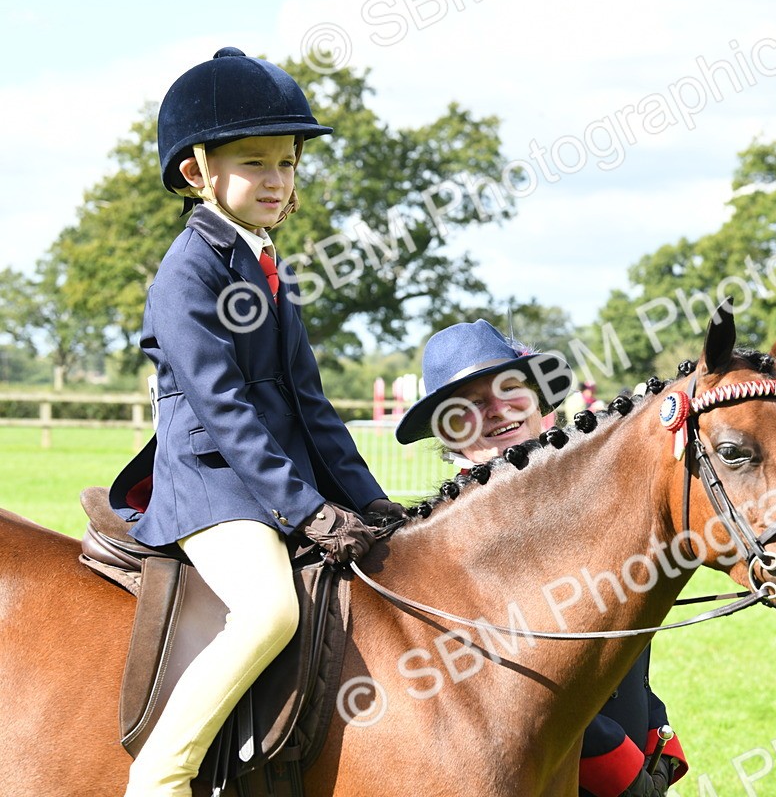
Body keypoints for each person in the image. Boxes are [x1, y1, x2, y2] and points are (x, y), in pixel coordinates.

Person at [107, 47, 406, 796]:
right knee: (271, 610)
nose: (278, 180)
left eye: (288, 162)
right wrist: (306, 509)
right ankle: (163, 773)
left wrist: (369, 500)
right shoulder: (187, 270)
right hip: (211, 485)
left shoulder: (272, 263)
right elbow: (226, 408)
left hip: (269, 477)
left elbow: (309, 402)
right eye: (255, 163)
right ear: (196, 173)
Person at [394, 319, 688, 797]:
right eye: (468, 406)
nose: (496, 411)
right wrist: (617, 764)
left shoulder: (585, 504)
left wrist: (655, 731)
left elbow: (623, 640)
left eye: (510, 389)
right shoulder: (457, 543)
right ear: (448, 434)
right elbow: (516, 682)